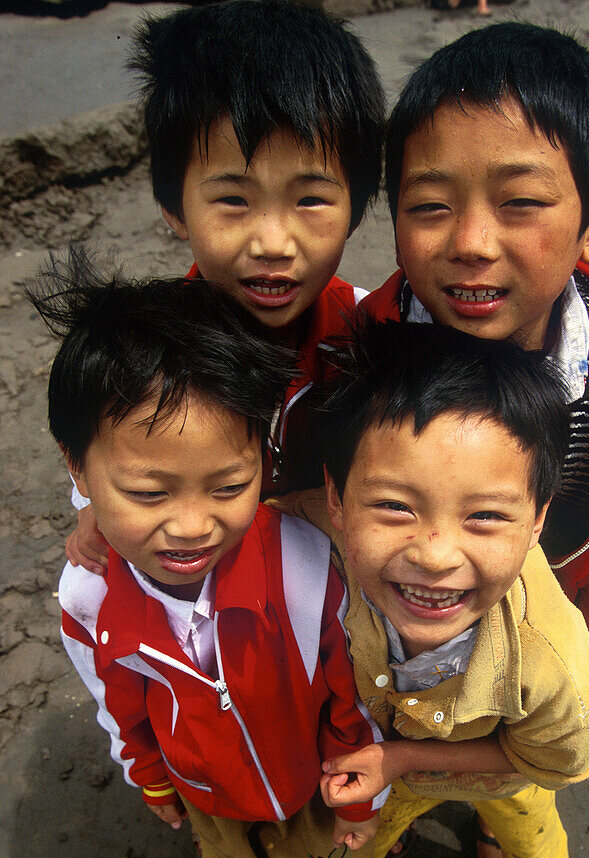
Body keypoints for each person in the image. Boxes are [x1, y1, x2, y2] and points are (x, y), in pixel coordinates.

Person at [361, 23, 589, 858]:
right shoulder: (369, 352)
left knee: (521, 793)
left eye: (520, 203)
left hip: (546, 630)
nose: (469, 241)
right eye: (429, 206)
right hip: (407, 641)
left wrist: (576, 648)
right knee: (395, 763)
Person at [33, 253, 386, 858]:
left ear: (264, 456)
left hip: (308, 786)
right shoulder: (88, 601)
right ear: (79, 472)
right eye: (148, 493)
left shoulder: (304, 569)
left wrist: (357, 792)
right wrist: (156, 783)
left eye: (228, 486)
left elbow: (349, 698)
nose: (191, 525)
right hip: (205, 793)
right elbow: (118, 709)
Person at [278, 319, 589, 858]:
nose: (434, 554)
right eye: (395, 507)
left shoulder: (554, 670)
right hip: (386, 772)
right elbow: (214, 517)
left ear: (538, 517)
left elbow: (548, 761)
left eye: (485, 516)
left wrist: (400, 757)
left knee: (534, 844)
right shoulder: (302, 526)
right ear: (337, 500)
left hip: (491, 773)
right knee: (352, 851)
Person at [67, 0, 385, 570]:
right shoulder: (143, 351)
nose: (272, 242)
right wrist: (99, 506)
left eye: (310, 199)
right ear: (174, 206)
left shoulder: (378, 338)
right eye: (233, 200)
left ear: (356, 207)